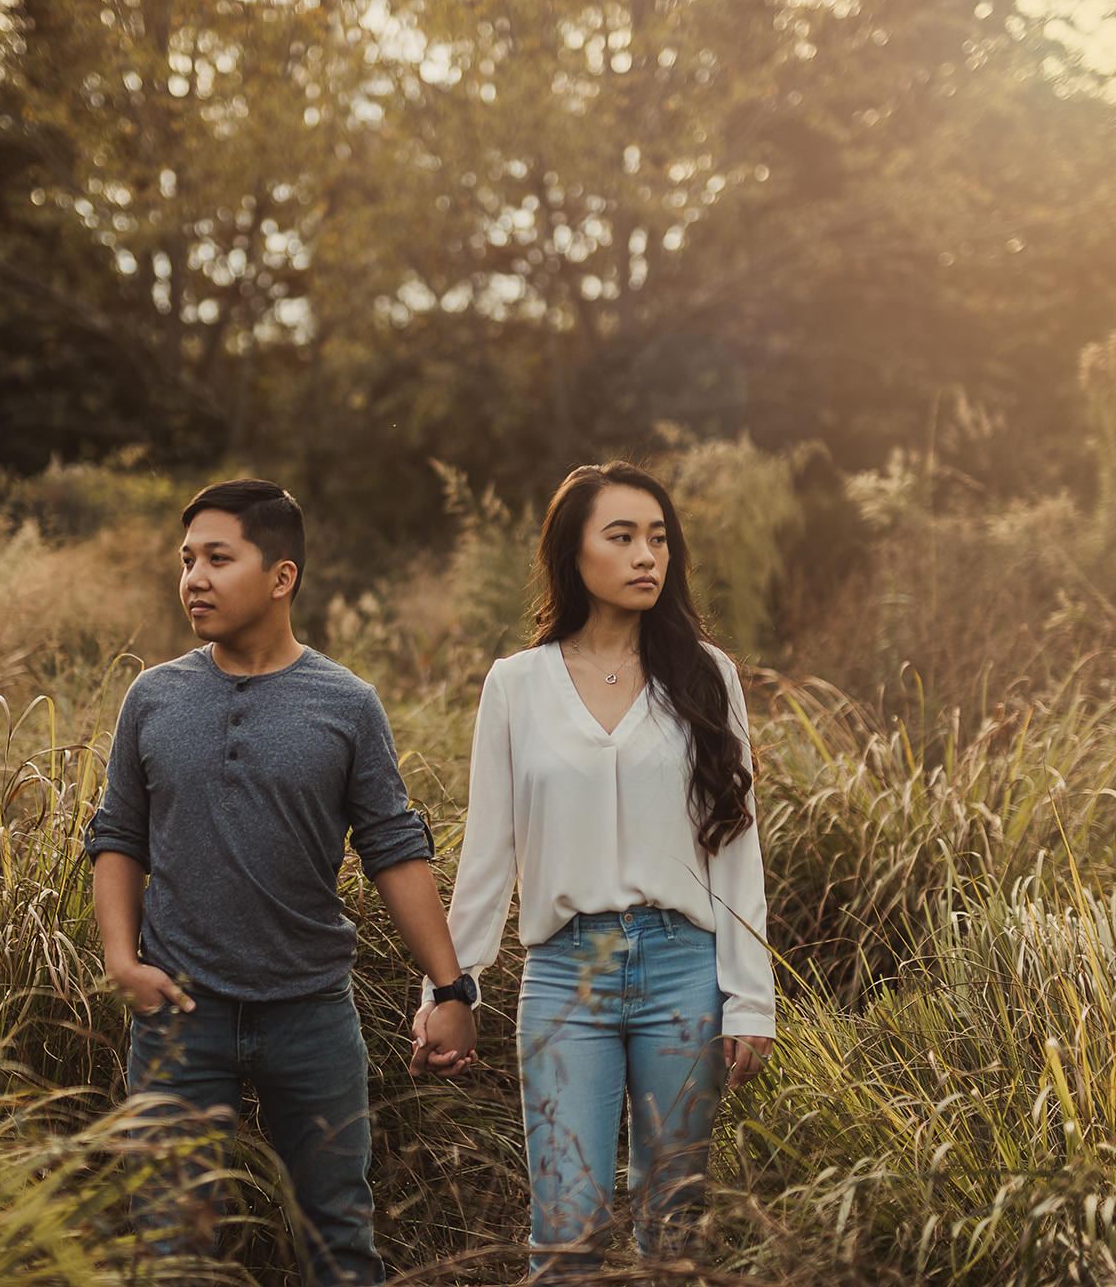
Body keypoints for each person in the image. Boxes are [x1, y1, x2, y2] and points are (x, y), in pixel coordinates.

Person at [86, 479, 477, 1287]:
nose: (193, 576)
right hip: (178, 1011)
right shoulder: (152, 697)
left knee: (339, 1237)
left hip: (311, 1012)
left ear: (281, 575)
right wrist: (122, 959)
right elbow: (118, 835)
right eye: (187, 559)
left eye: (217, 558)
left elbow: (395, 850)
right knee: (172, 1248)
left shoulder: (346, 703)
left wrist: (451, 988)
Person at [412, 461, 776, 1280]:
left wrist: (750, 996)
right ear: (573, 554)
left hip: (685, 968)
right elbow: (488, 852)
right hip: (566, 975)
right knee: (566, 1231)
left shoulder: (707, 676)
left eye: (658, 538)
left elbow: (736, 843)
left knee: (670, 1227)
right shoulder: (516, 684)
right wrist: (454, 986)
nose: (648, 555)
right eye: (622, 537)